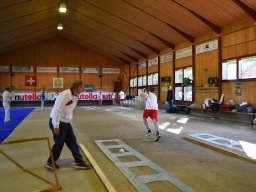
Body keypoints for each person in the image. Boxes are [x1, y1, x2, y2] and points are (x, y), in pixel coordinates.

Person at [46, 80, 90, 170]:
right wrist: (56, 125)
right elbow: (57, 109)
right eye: (82, 87)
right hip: (58, 122)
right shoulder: (65, 94)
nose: (82, 89)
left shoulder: (75, 96)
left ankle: (79, 162)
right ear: (77, 87)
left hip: (65, 123)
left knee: (72, 142)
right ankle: (50, 162)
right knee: (59, 143)